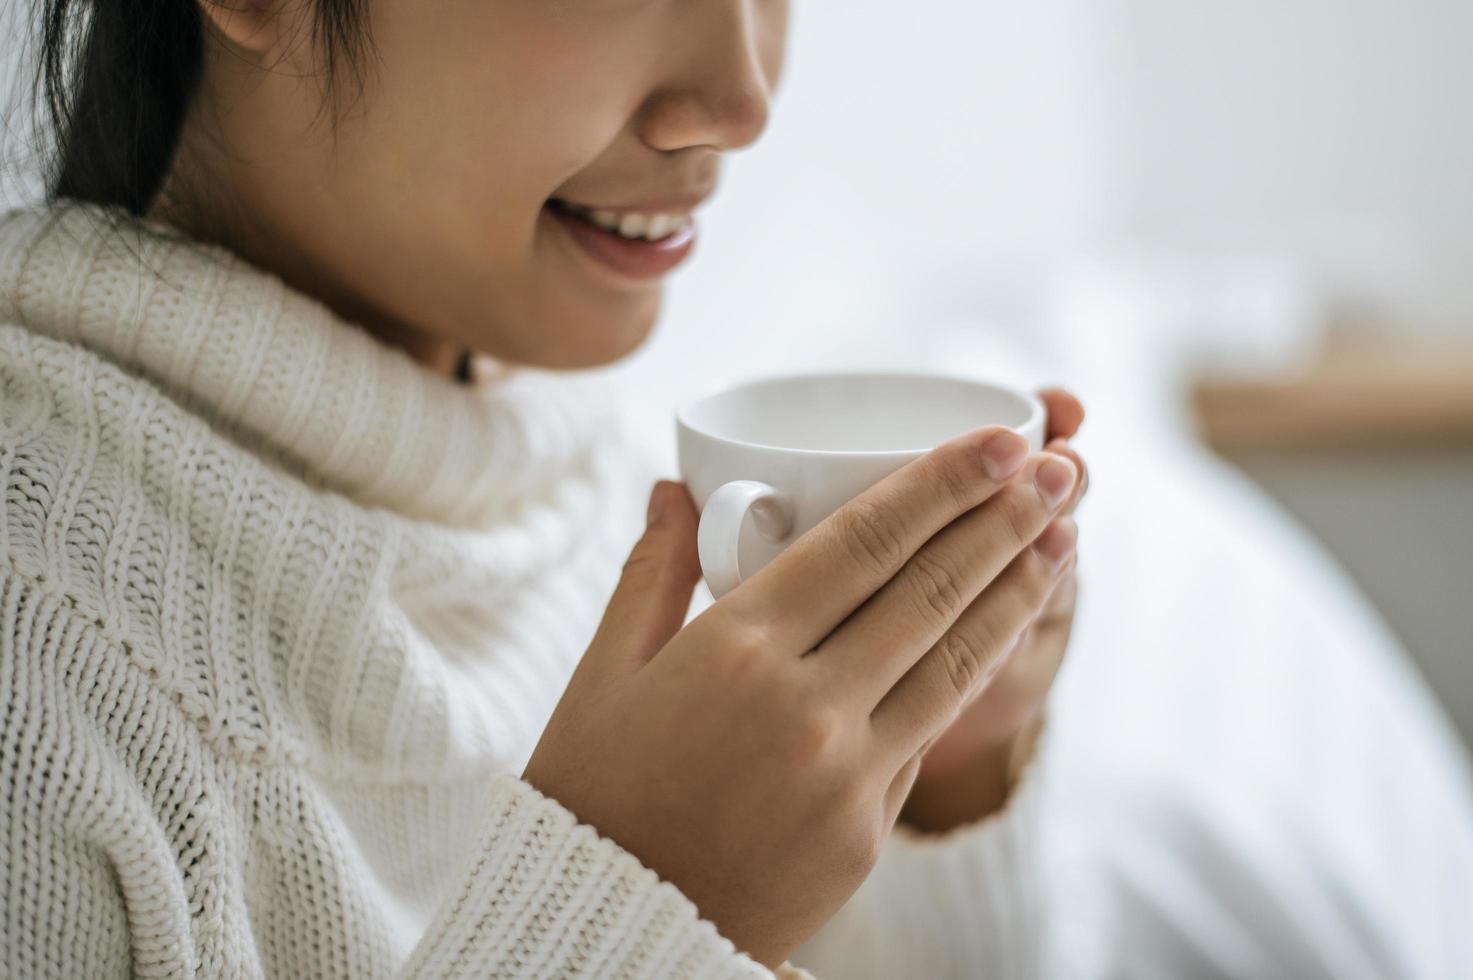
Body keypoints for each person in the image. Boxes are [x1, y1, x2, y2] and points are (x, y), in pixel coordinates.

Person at [0, 2, 1091, 977]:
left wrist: (942, 768)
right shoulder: (36, 669)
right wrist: (638, 909)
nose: (740, 103)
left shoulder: (598, 486)